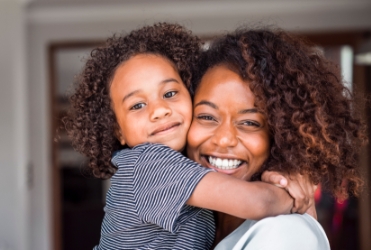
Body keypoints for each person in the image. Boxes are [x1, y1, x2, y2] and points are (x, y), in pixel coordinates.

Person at [63, 23, 312, 250]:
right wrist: (293, 194)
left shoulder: (189, 174)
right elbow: (259, 203)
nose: (159, 110)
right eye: (137, 105)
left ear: (189, 93)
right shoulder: (147, 165)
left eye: (170, 93)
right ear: (118, 130)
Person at [186, 27, 367, 249]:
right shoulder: (191, 225)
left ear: (281, 138)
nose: (224, 140)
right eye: (206, 117)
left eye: (250, 123)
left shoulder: (286, 233)